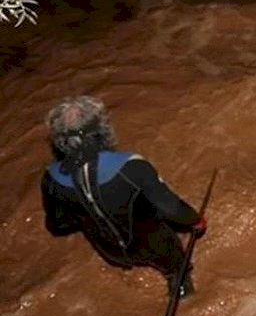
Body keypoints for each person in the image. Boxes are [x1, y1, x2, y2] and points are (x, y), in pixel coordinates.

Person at [41, 96, 207, 298]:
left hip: (111, 252)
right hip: (155, 247)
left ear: (59, 141)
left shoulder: (51, 178)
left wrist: (86, 209)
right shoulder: (131, 165)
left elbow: (57, 225)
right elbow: (171, 209)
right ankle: (180, 286)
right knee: (175, 270)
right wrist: (196, 221)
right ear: (101, 130)